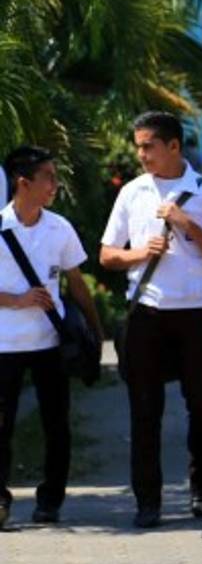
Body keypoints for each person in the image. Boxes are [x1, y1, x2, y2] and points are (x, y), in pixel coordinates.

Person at [99, 111, 202, 528]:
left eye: (148, 146)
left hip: (198, 312)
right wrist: (141, 254)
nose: (141, 155)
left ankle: (201, 487)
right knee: (144, 410)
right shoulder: (133, 192)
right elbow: (107, 254)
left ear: (174, 146)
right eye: (138, 146)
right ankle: (147, 500)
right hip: (147, 312)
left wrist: (186, 224)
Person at [0, 146, 103, 528]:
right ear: (22, 182)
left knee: (56, 426)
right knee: (2, 427)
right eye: (48, 177)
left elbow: (76, 283)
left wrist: (95, 331)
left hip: (51, 343)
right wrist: (16, 300)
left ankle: (50, 501)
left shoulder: (60, 228)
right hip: (4, 346)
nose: (54, 185)